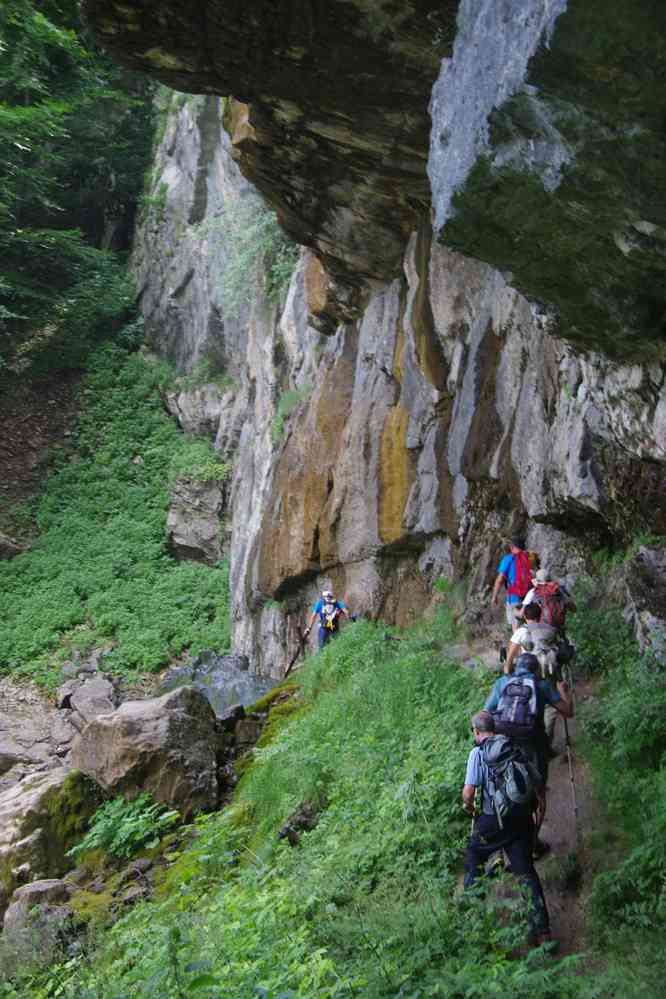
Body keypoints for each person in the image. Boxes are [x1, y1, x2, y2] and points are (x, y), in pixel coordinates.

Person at [462, 710, 551, 945]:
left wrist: (469, 809)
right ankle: (542, 932)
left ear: (477, 731)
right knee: (526, 873)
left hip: (492, 820)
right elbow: (537, 786)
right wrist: (537, 817)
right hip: (521, 819)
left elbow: (469, 793)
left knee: (473, 856)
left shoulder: (477, 753)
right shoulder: (513, 747)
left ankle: (475, 922)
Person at [485, 652, 573, 787]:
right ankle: (541, 798)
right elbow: (568, 712)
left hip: (505, 739)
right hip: (534, 739)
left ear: (516, 667)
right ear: (537, 669)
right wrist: (563, 691)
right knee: (539, 776)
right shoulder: (543, 685)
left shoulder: (502, 683)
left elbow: (486, 713)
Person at [491, 536, 539, 635]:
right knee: (532, 624)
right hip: (530, 597)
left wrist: (494, 596)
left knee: (516, 629)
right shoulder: (531, 557)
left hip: (514, 598)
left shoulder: (508, 559)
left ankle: (520, 648)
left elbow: (500, 580)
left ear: (512, 547)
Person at [504, 602, 558, 676]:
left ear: (525, 616)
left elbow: (511, 655)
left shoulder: (521, 631)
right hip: (549, 669)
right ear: (539, 616)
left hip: (530, 670)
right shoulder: (551, 630)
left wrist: (507, 673)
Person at [522, 568, 576, 634]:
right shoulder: (557, 589)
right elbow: (573, 609)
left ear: (537, 580)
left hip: (543, 628)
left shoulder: (534, 592)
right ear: (550, 579)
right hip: (559, 625)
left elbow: (526, 614)